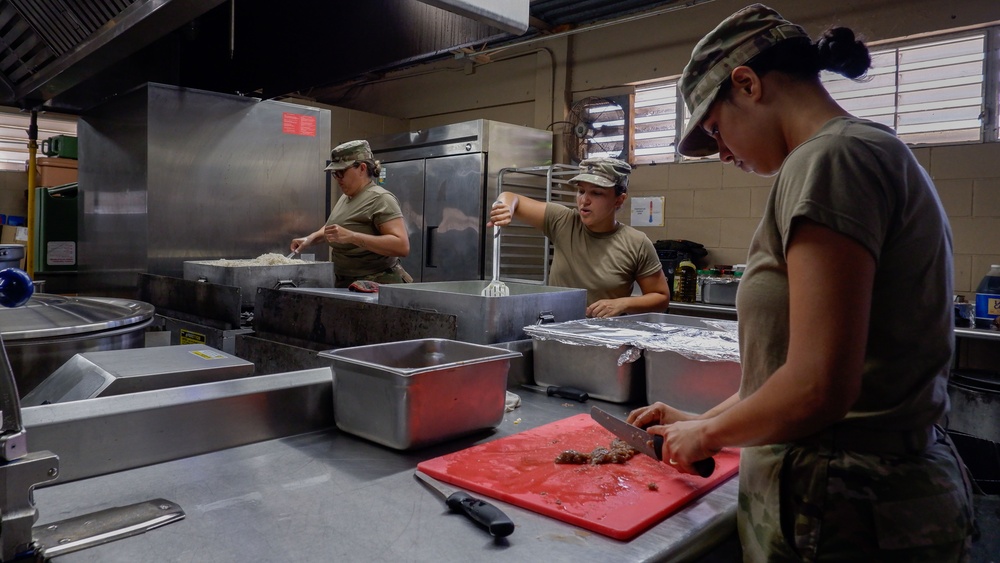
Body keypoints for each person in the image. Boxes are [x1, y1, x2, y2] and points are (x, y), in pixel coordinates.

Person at [627, 4, 974, 561]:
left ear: (748, 83)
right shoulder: (857, 152)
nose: (723, 153)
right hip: (851, 489)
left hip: (845, 501)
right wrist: (702, 420)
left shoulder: (832, 160)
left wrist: (708, 438)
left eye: (717, 129)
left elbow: (819, 386)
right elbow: (790, 370)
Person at [488, 157, 670, 317]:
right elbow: (511, 197)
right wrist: (504, 206)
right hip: (556, 332)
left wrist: (623, 303)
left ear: (619, 200)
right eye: (581, 191)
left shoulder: (636, 243)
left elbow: (661, 298)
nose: (584, 200)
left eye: (596, 193)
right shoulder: (563, 221)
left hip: (605, 342)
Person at [291, 140, 412, 288]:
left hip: (376, 283)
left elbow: (401, 246)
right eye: (335, 173)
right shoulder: (348, 196)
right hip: (348, 281)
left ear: (362, 168)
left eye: (341, 172)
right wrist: (310, 239)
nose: (337, 179)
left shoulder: (381, 198)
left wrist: (351, 237)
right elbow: (336, 227)